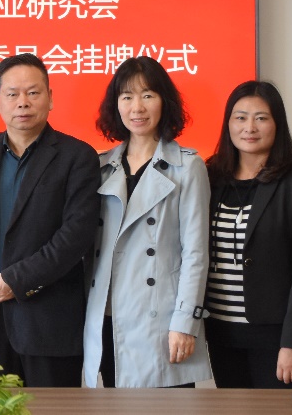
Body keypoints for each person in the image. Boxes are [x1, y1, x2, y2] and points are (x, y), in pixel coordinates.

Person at [0, 53, 100, 386]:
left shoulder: (78, 157)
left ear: (50, 98)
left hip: (49, 323)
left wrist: (19, 279)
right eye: (12, 94)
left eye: (33, 92)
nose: (22, 102)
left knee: (53, 410)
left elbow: (75, 236)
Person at [81, 55, 210, 388]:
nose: (137, 107)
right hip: (107, 317)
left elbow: (196, 253)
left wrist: (185, 323)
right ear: (116, 105)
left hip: (161, 321)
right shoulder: (100, 166)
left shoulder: (187, 167)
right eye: (127, 97)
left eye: (147, 95)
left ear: (164, 102)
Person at [202, 81, 292, 389]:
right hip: (220, 330)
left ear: (277, 124)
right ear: (228, 123)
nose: (250, 127)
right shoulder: (211, 176)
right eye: (240, 117)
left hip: (276, 335)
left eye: (261, 118)